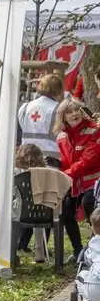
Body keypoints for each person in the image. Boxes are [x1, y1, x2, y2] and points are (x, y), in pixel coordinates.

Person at [54, 97, 100, 259]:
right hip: (73, 182)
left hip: (92, 181)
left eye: (77, 110)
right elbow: (65, 161)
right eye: (69, 111)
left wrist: (65, 174)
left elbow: (88, 160)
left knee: (89, 204)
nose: (74, 114)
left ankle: (95, 246)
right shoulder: (61, 137)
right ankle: (78, 250)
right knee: (66, 212)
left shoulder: (94, 130)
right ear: (63, 117)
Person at [18, 74, 65, 165]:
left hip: (26, 158)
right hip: (51, 161)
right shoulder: (59, 110)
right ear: (59, 90)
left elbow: (22, 127)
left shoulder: (25, 107)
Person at [75, 207, 100, 301]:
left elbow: (87, 261)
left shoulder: (94, 243)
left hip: (96, 288)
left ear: (93, 229)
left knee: (81, 276)